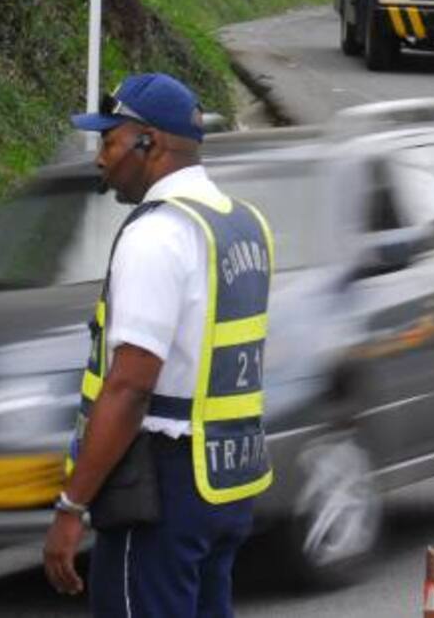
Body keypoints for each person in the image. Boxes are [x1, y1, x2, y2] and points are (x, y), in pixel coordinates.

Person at [43, 73, 273, 617]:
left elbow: (129, 387)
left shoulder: (156, 235)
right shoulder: (242, 224)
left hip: (159, 488)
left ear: (150, 141)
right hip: (225, 481)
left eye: (110, 140)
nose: (101, 157)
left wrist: (71, 506)